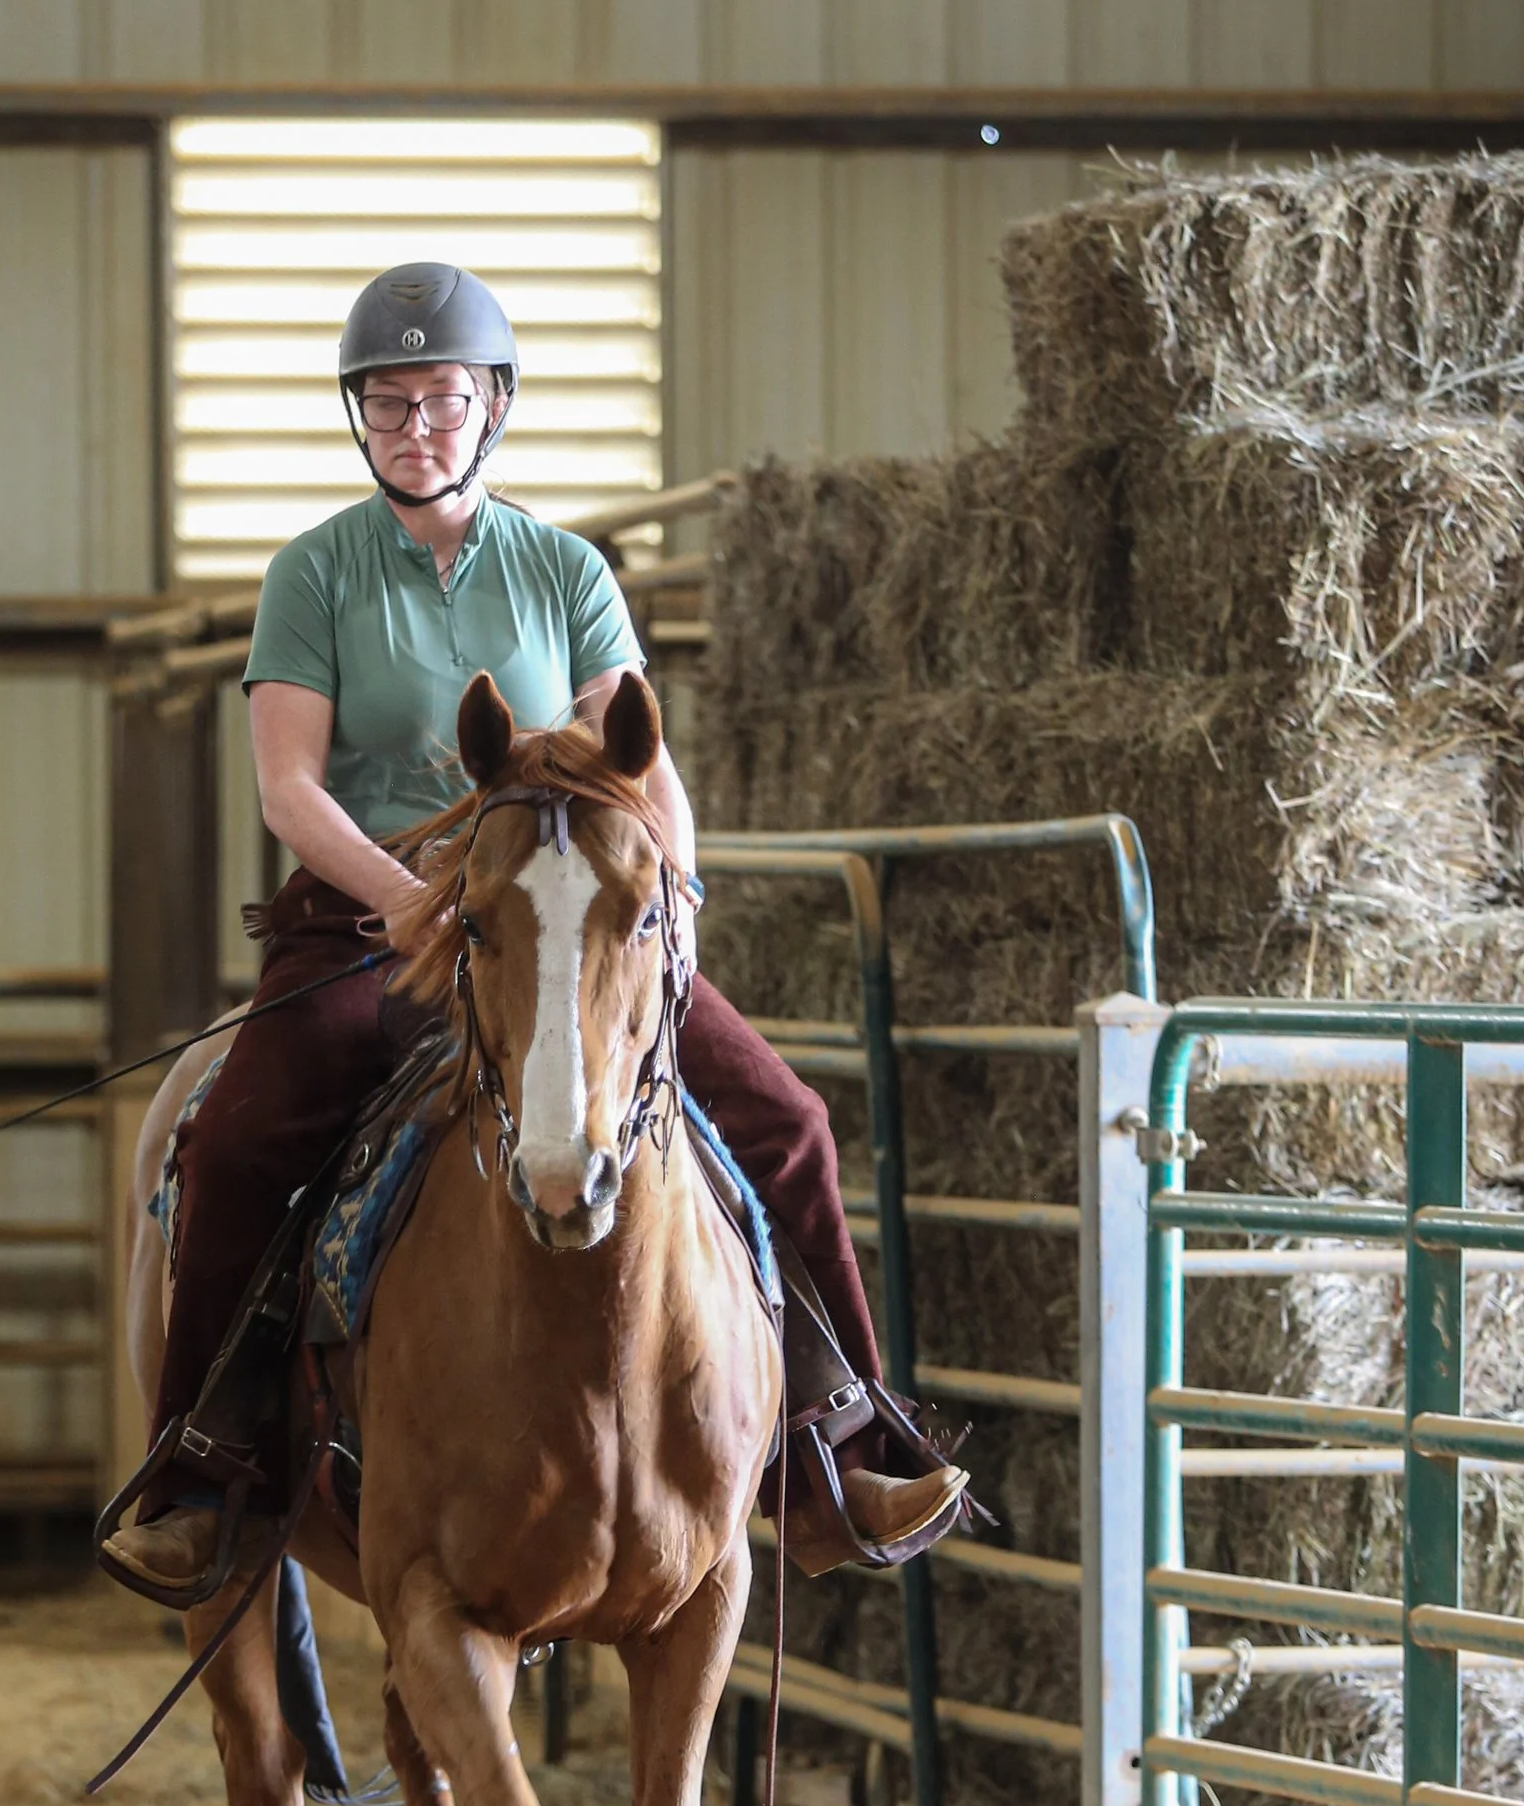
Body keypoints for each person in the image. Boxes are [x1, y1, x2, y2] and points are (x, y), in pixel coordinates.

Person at [103, 260, 962, 1605]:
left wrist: (671, 899)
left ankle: (841, 1446)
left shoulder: (566, 571)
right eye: (387, 406)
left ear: (492, 407)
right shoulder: (311, 576)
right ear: (359, 418)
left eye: (441, 401)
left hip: (564, 918)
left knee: (787, 1118)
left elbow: (640, 758)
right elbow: (288, 785)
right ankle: (202, 1464)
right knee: (241, 1136)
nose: (415, 428)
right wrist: (397, 897)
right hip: (368, 921)